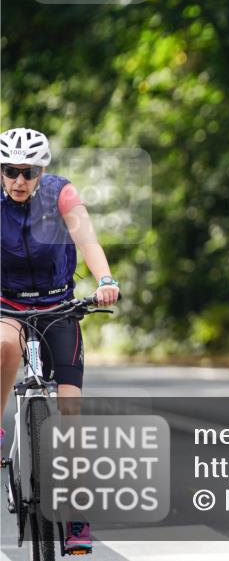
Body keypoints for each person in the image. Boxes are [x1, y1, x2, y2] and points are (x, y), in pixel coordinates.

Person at [0, 127, 120, 554]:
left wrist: (105, 280)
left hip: (58, 304)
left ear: (42, 171)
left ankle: (77, 514)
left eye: (28, 172)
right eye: (10, 171)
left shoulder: (61, 194)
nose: (19, 180)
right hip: (8, 304)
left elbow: (87, 239)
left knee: (71, 413)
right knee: (4, 345)